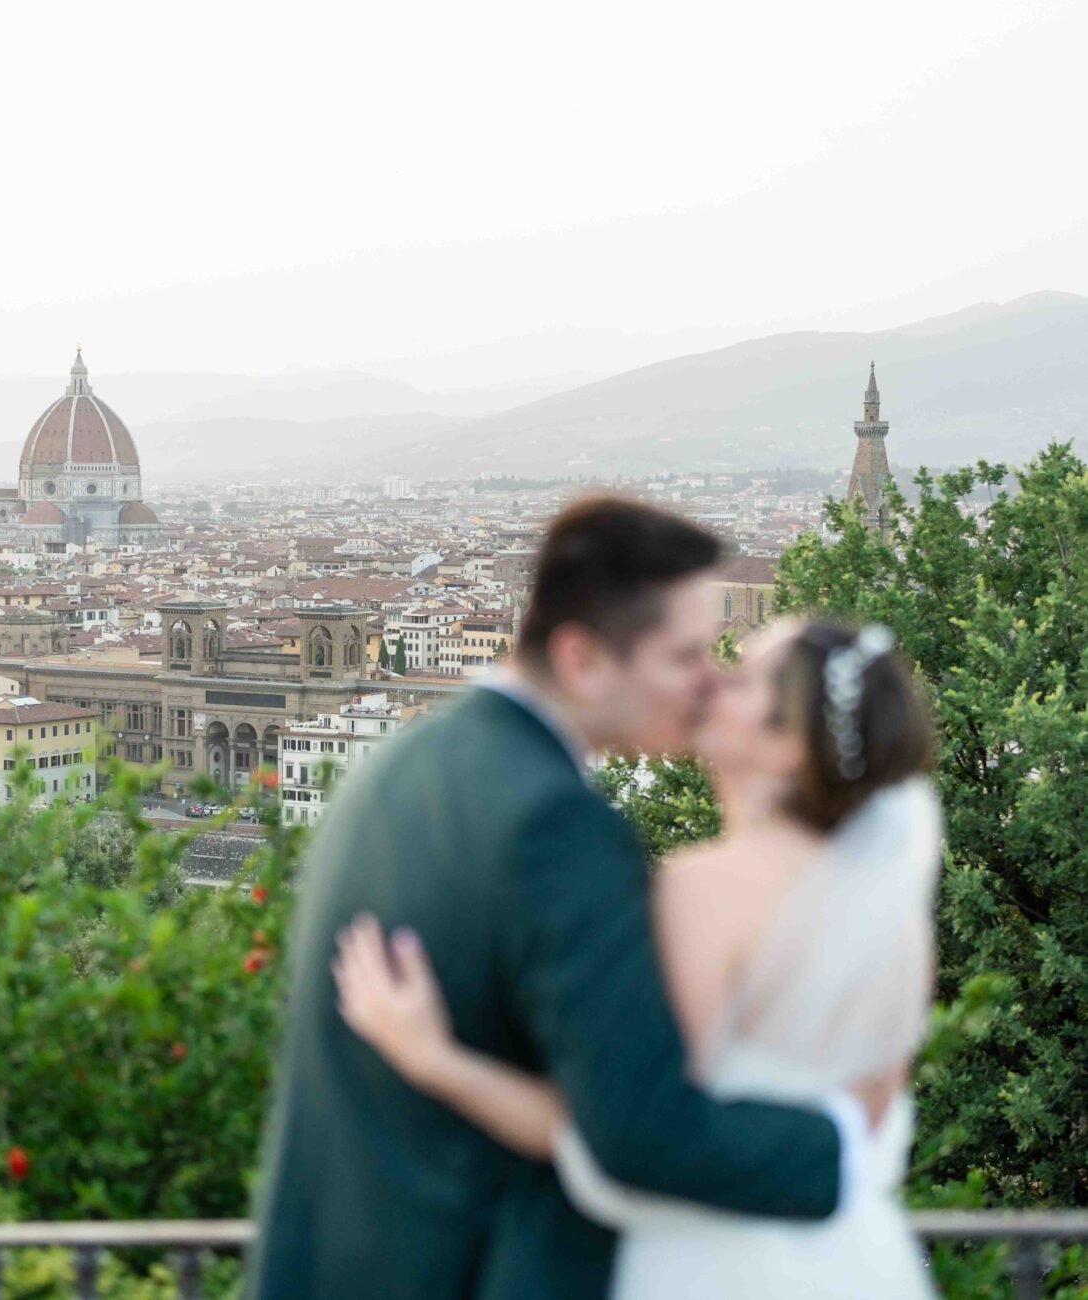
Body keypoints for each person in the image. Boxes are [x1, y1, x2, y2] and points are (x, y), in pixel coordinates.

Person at [246, 498, 893, 1300]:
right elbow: (638, 1131)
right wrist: (850, 1146)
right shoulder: (557, 824)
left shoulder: (404, 763)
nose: (709, 681)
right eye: (686, 655)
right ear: (584, 660)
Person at [334, 616, 940, 1299]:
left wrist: (434, 1060)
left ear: (786, 745)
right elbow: (864, 1131)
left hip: (716, 1267)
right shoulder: (893, 915)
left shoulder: (708, 888)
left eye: (740, 678)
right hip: (856, 1259)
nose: (711, 681)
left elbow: (629, 1131)